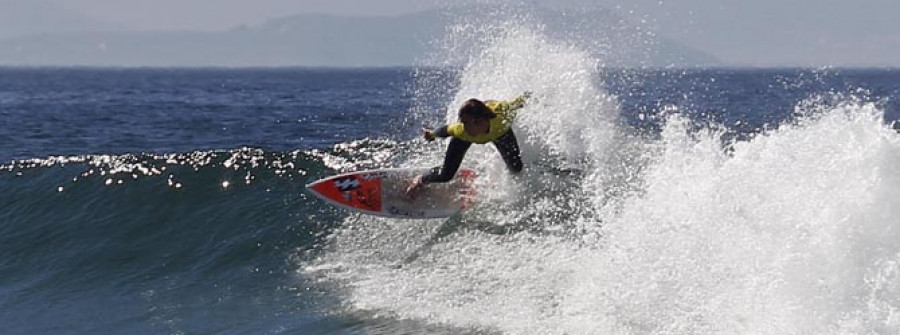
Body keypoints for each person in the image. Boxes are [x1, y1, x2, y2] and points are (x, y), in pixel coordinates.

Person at [406, 92, 531, 197]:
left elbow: (521, 100)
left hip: (501, 134)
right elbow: (445, 130)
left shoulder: (502, 116)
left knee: (516, 168)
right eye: (462, 123)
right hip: (479, 123)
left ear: (479, 121)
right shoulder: (462, 131)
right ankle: (420, 180)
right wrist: (431, 134)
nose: (463, 127)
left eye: (466, 123)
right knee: (445, 175)